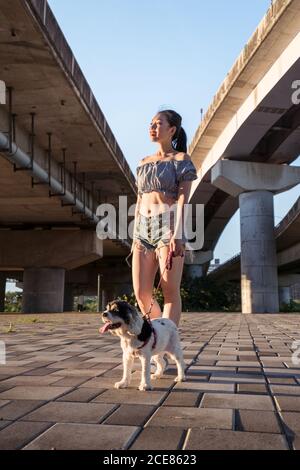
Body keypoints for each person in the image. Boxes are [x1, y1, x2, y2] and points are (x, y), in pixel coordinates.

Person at [126, 109, 198, 327]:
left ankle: (167, 342)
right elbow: (140, 198)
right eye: (151, 123)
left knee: (169, 291)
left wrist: (178, 234)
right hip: (142, 230)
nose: (152, 127)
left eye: (158, 123)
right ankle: (159, 334)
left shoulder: (181, 159)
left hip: (168, 227)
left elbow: (183, 199)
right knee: (141, 293)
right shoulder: (143, 161)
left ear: (172, 130)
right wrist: (135, 232)